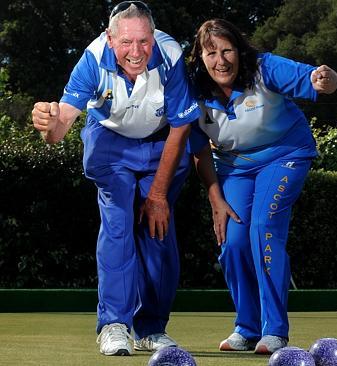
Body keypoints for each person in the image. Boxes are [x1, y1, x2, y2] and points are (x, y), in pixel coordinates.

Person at [31, 1, 200, 357]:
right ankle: (113, 325)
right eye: (126, 42)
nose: (136, 52)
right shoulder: (92, 59)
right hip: (110, 143)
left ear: (153, 38)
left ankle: (151, 328)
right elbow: (61, 126)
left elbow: (183, 124)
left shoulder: (170, 55)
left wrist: (158, 195)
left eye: (143, 41)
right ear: (110, 39)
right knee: (119, 225)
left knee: (158, 234)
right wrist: (48, 125)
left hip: (160, 142)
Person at [186, 18, 337, 355]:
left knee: (263, 227)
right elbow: (198, 150)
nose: (221, 60)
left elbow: (315, 79)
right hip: (234, 167)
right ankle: (246, 327)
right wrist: (215, 200)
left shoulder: (265, 67)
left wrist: (327, 79)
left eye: (227, 51)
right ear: (200, 56)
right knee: (234, 241)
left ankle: (275, 331)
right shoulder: (190, 89)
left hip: (285, 154)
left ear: (240, 51)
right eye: (211, 53)